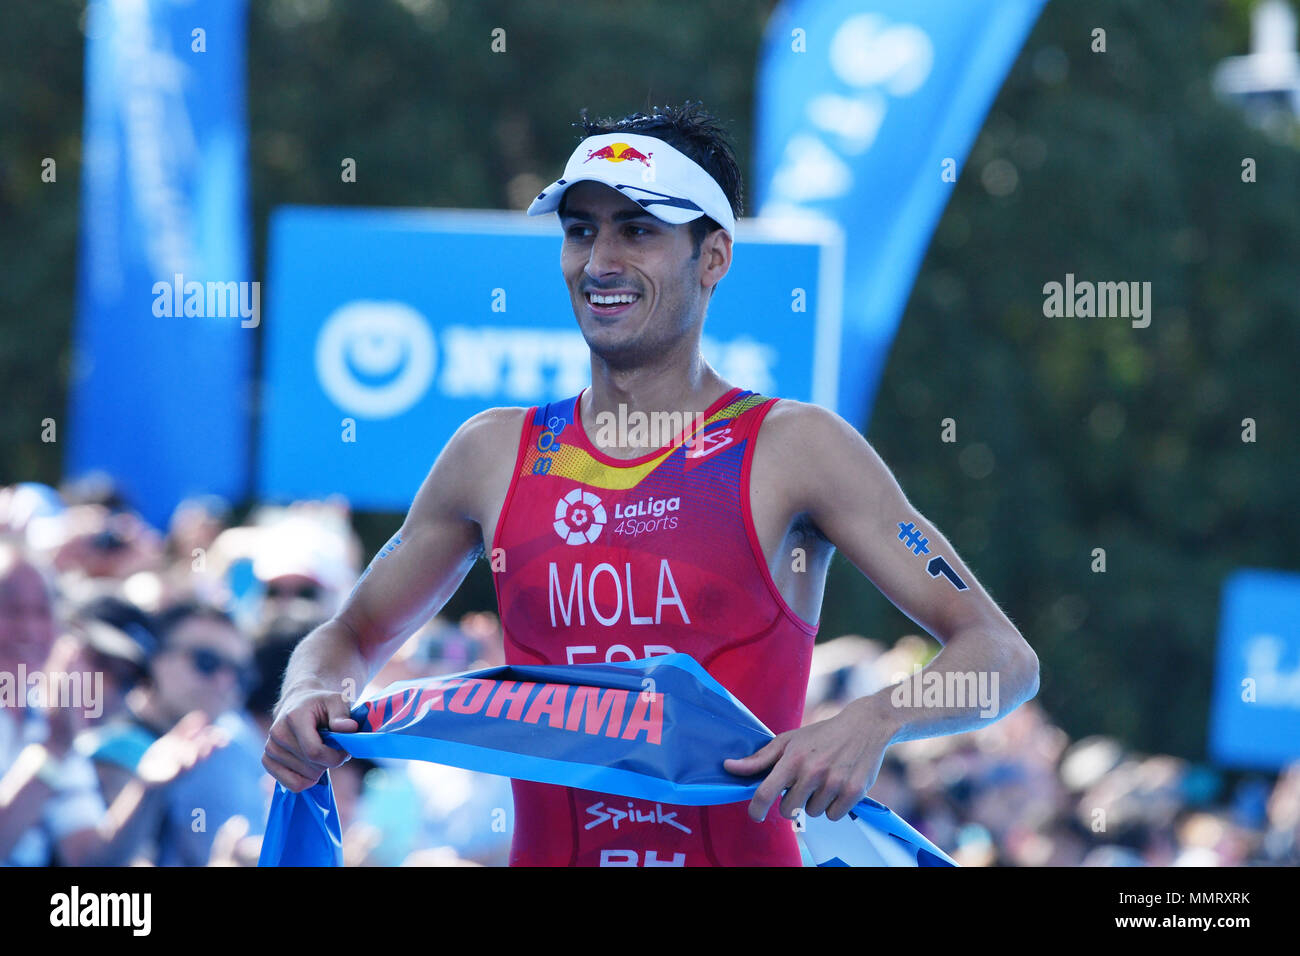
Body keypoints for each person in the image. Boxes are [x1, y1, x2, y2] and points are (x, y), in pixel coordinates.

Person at [263, 102, 1039, 867]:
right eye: (580, 230)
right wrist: (306, 694)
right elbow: (349, 637)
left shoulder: (795, 448)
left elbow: (1002, 656)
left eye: (637, 230)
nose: (600, 261)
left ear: (713, 257)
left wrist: (875, 719)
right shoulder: (492, 453)